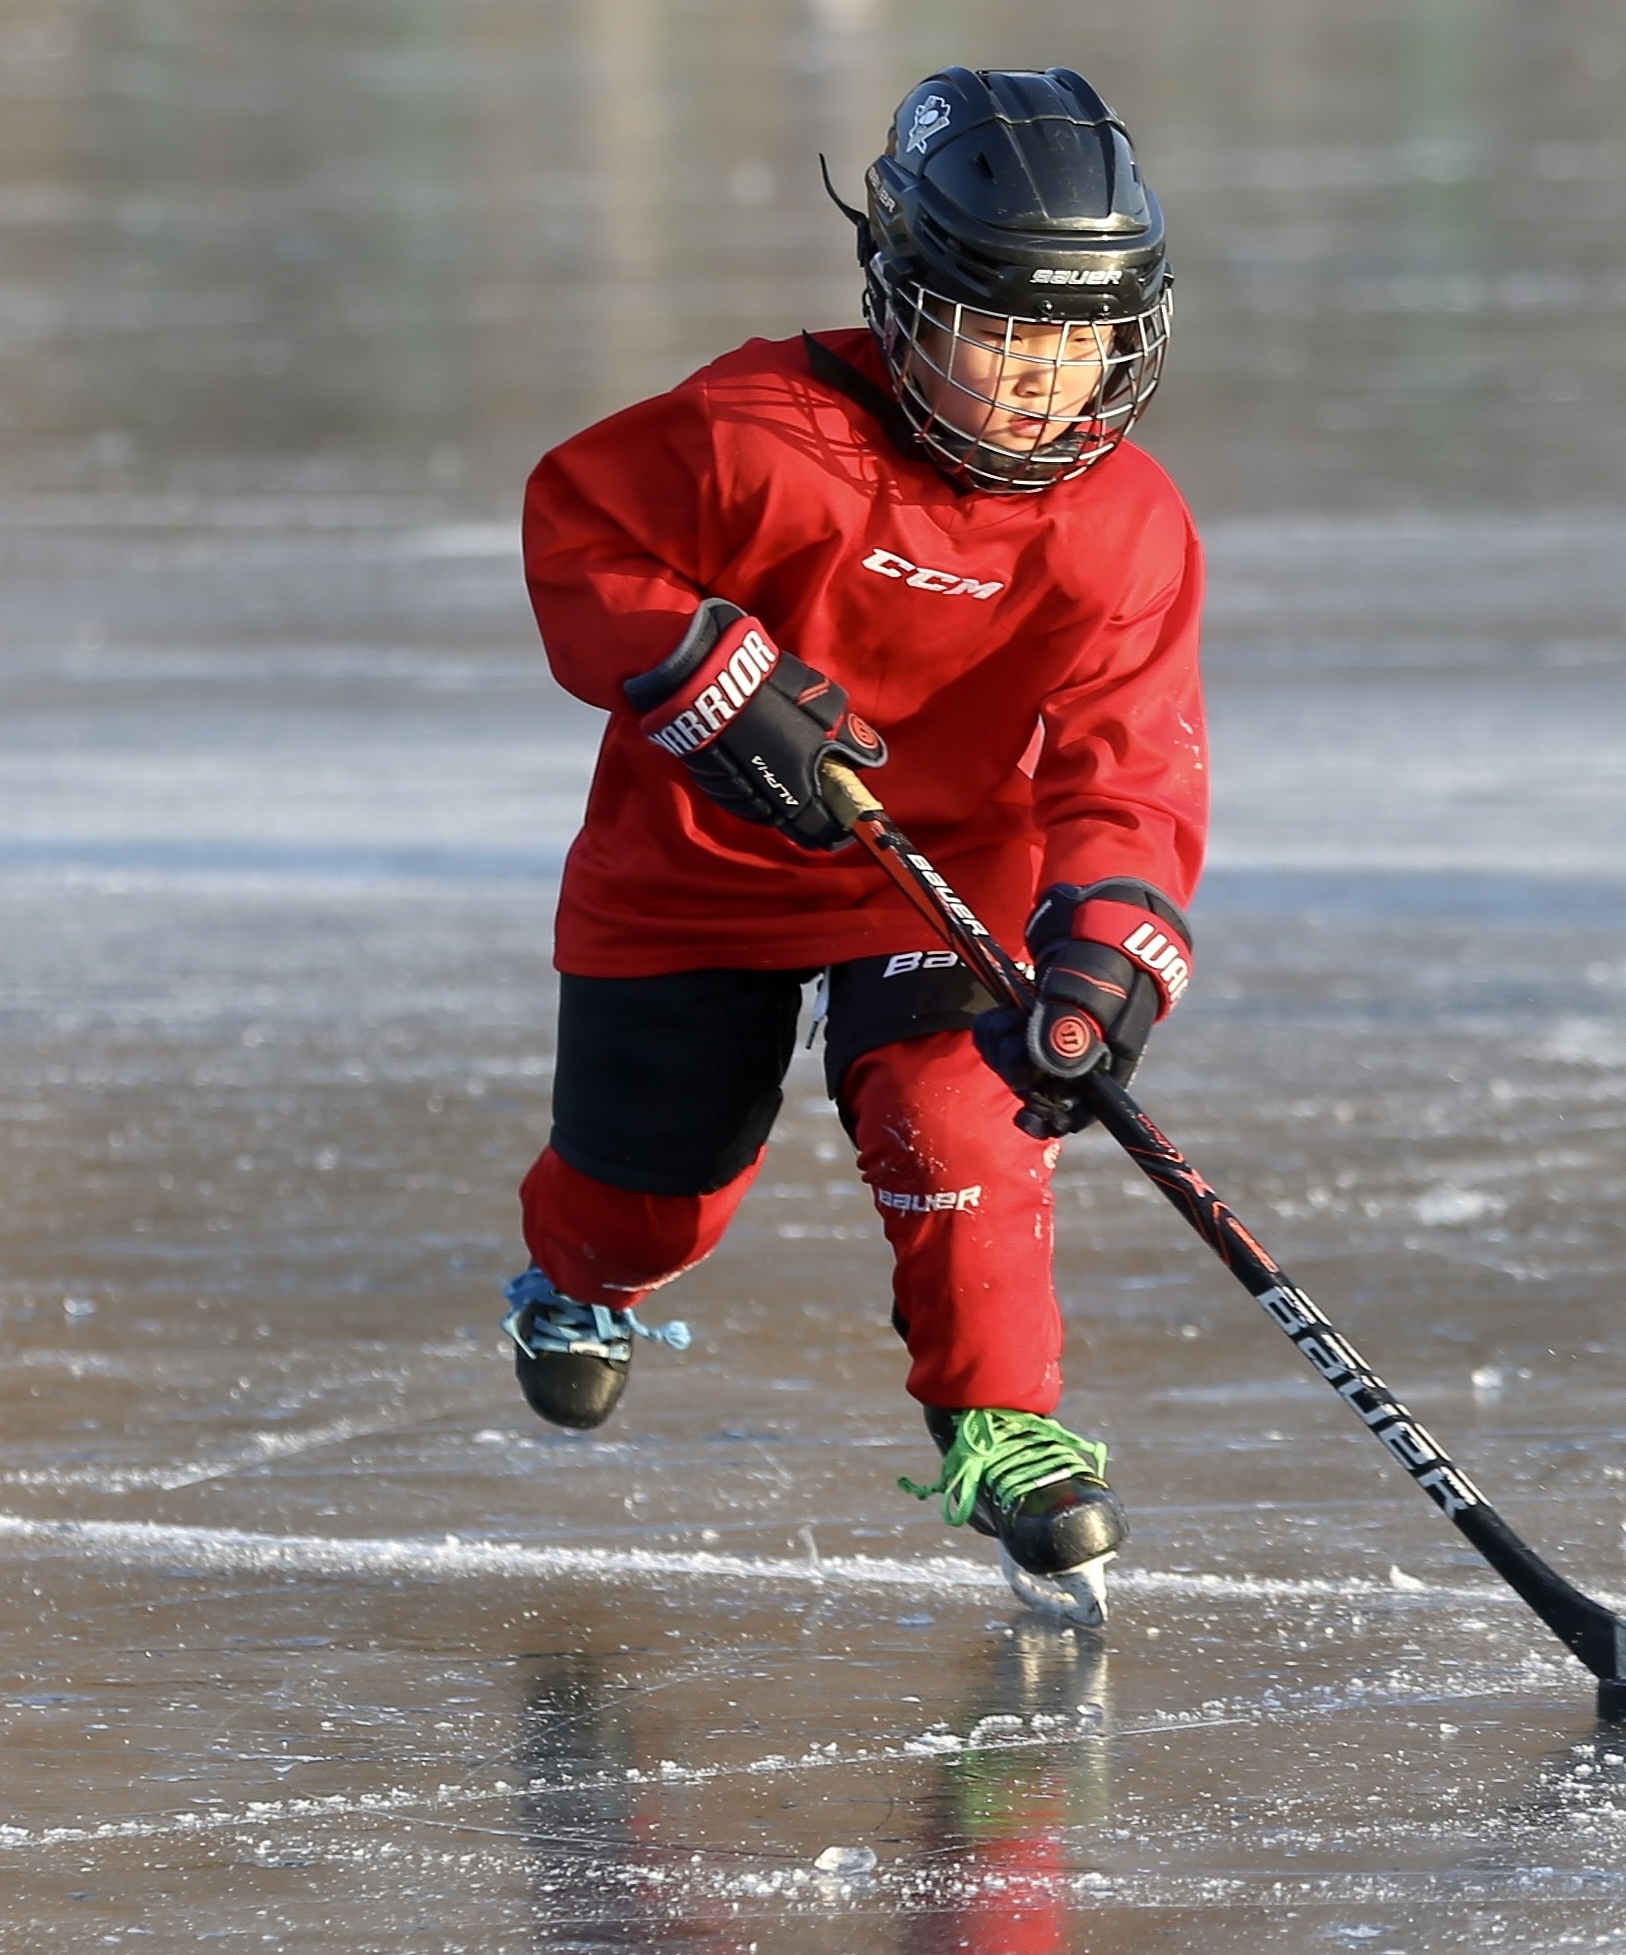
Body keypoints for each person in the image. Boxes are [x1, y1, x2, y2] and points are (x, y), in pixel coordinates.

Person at [498, 66, 1204, 1626]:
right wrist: (698, 673)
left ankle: (1002, 1422)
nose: (1043, 378)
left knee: (960, 1129)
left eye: (1079, 337)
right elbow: (574, 528)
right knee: (653, 1196)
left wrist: (1110, 941)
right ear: (901, 301)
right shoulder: (760, 434)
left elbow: (1131, 760)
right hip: (696, 866)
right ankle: (579, 1277)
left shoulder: (1123, 522)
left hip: (944, 870)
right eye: (1004, 331)